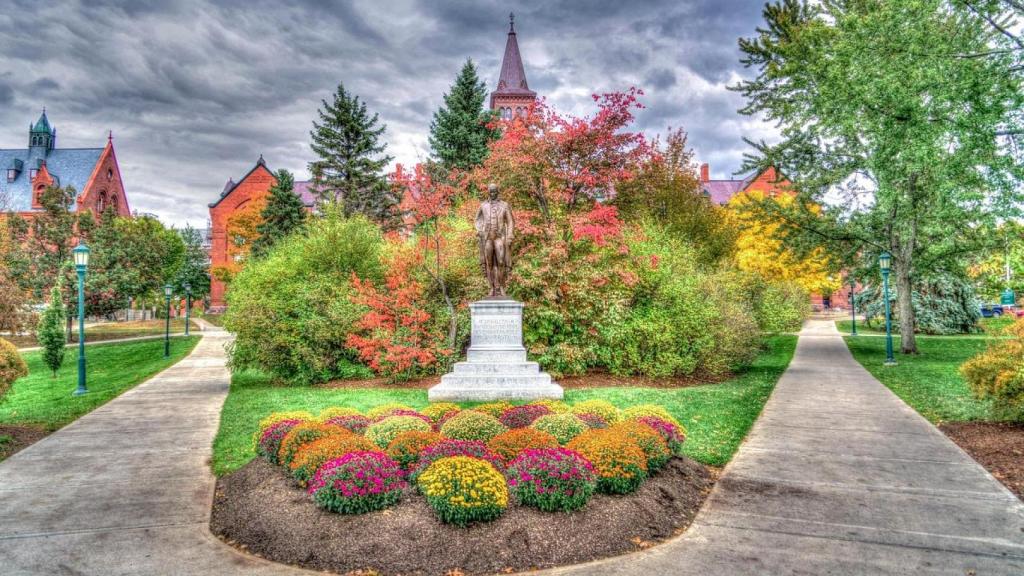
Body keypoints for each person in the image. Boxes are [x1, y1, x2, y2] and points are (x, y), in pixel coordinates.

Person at [474, 183, 514, 297]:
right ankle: (491, 288)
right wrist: (479, 230)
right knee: (489, 263)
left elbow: (510, 221)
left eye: (494, 191)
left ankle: (501, 286)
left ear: (497, 192)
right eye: (490, 192)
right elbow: (477, 220)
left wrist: (510, 234)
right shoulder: (483, 205)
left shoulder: (505, 205)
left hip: (499, 237)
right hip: (487, 238)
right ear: (488, 192)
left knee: (501, 261)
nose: (492, 194)